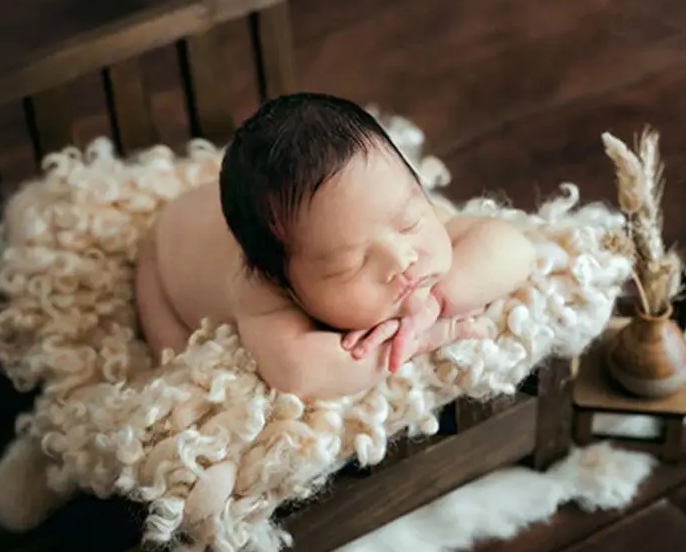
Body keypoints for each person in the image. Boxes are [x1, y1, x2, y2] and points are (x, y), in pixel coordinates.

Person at [135, 93, 535, 400]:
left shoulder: (379, 208)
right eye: (351, 264)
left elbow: (512, 248)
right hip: (164, 251)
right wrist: (425, 341)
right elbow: (298, 373)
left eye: (410, 221)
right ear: (284, 282)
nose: (401, 259)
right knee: (177, 366)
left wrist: (438, 304)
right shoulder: (260, 290)